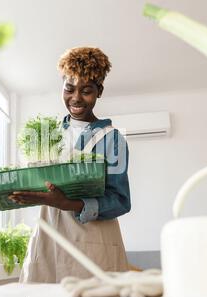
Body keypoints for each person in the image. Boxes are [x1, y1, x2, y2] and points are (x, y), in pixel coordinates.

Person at [9, 47, 131, 283]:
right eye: (69, 88)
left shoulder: (112, 139)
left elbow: (120, 201)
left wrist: (69, 204)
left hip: (93, 245)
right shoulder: (47, 133)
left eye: (86, 91)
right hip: (48, 239)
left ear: (99, 91)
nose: (76, 98)